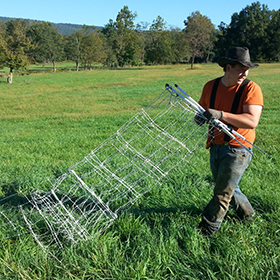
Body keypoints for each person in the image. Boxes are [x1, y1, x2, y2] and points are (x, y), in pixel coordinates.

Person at [195, 47, 263, 235]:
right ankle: (248, 215)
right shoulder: (211, 86)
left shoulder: (251, 88)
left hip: (238, 149)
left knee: (222, 192)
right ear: (227, 67)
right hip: (216, 146)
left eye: (247, 69)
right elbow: (202, 109)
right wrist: (200, 117)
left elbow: (252, 120)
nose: (245, 73)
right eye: (240, 68)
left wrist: (221, 114)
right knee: (228, 186)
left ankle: (209, 227)